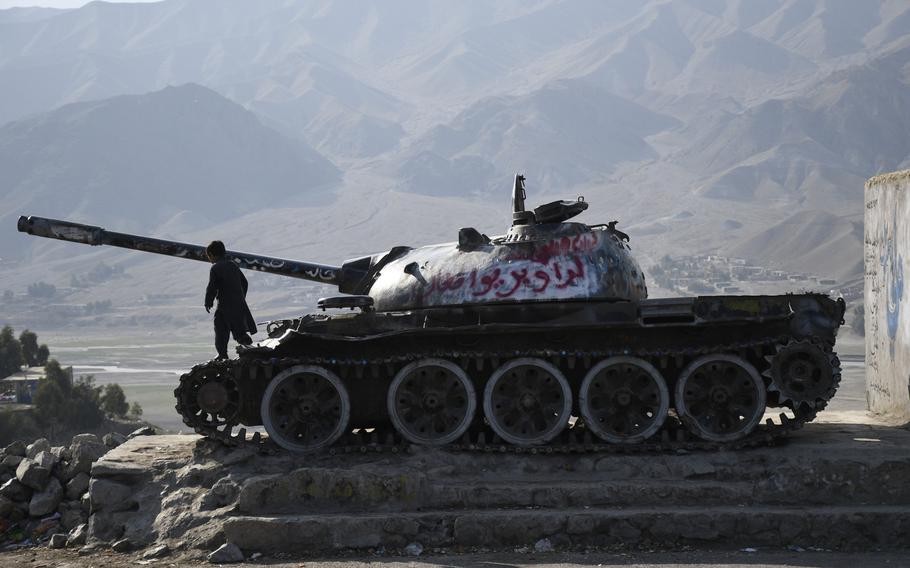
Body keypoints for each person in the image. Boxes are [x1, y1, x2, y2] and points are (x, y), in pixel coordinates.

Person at [204, 241, 256, 360]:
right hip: (238, 305)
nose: (209, 259)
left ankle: (222, 355)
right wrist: (240, 298)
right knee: (239, 330)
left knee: (221, 328)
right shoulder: (233, 265)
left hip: (224, 305)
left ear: (212, 254)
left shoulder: (216, 268)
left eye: (209, 256)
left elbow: (212, 287)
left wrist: (208, 302)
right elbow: (245, 282)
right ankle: (251, 350)